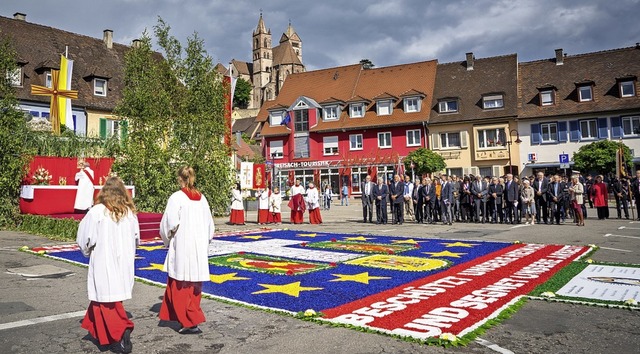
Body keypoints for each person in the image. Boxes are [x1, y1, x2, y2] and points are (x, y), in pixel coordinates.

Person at [77, 176, 139, 353]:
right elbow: (136, 238)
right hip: (124, 263)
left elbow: (84, 238)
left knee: (106, 300)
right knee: (106, 299)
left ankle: (121, 329)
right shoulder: (129, 214)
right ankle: (103, 336)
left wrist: (88, 251)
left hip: (104, 261)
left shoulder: (97, 212)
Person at [159, 166, 214, 335]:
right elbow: (210, 226)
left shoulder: (176, 198)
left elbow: (169, 223)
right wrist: (204, 241)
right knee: (194, 286)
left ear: (179, 179)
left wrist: (167, 240)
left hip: (182, 246)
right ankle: (192, 316)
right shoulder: (202, 198)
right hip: (198, 247)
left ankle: (189, 321)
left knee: (180, 285)